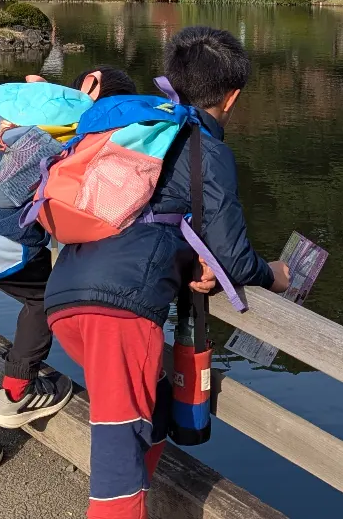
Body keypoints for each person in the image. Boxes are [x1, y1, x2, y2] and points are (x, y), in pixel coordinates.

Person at [45, 28, 289, 519]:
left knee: (151, 412)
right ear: (233, 96)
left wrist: (190, 264)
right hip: (119, 311)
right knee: (119, 456)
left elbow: (151, 221)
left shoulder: (143, 129)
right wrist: (275, 275)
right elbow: (236, 256)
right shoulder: (206, 147)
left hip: (68, 292)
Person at [0, 67, 139, 493]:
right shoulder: (90, 126)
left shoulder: (18, 100)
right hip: (1, 240)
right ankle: (16, 390)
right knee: (49, 297)